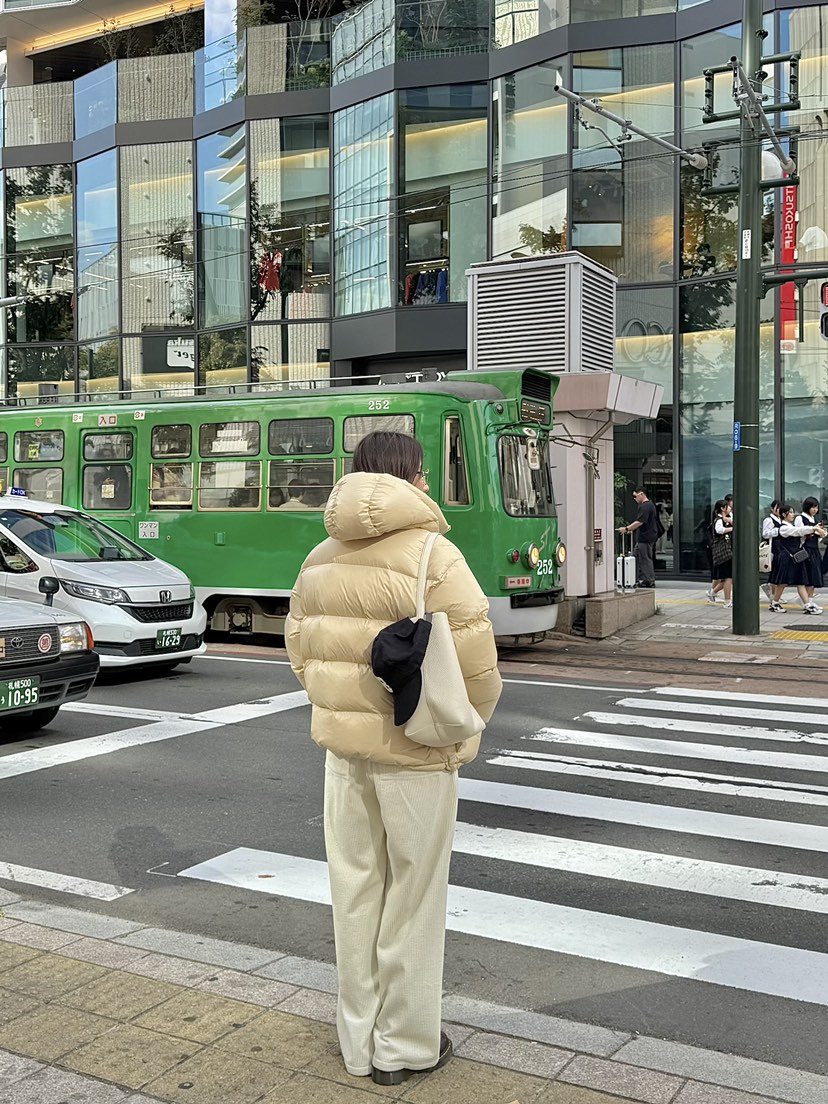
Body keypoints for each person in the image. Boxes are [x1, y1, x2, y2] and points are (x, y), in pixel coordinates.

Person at [285, 430, 502, 1086]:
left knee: (354, 892)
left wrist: (338, 707)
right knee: (413, 898)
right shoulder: (433, 553)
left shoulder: (320, 556)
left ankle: (357, 1041)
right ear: (413, 478)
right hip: (416, 752)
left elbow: (301, 649)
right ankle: (404, 1046)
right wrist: (464, 730)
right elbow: (476, 660)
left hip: (343, 754)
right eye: (425, 474)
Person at [769, 504, 827, 614]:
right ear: (783, 514)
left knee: (799, 581)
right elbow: (798, 531)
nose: (793, 514)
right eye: (790, 512)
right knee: (783, 582)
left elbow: (800, 531)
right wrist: (813, 528)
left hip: (794, 558)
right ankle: (775, 603)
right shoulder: (784, 528)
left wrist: (816, 531)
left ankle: (806, 605)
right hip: (787, 558)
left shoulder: (790, 527)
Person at [617, 486, 659, 589]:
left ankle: (649, 580)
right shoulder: (650, 505)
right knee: (635, 556)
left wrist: (627, 529)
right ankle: (635, 578)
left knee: (645, 558)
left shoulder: (645, 506)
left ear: (641, 494)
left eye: (635, 496)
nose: (634, 499)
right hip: (647, 537)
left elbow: (640, 521)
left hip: (645, 537)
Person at [798, 496, 824, 611]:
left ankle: (810, 601)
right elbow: (799, 532)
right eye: (812, 507)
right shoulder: (801, 518)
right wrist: (813, 530)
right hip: (805, 549)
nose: (815, 509)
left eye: (816, 507)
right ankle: (806, 602)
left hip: (815, 550)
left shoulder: (815, 520)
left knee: (814, 577)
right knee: (806, 577)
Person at [706, 499, 733, 606]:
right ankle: (727, 601)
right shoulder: (719, 520)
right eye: (728, 506)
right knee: (728, 577)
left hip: (725, 553)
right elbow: (719, 530)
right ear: (722, 508)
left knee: (728, 577)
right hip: (724, 554)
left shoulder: (724, 519)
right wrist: (732, 528)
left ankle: (712, 593)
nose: (730, 508)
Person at [760, 500, 783, 604]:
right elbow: (765, 534)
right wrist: (777, 531)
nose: (779, 510)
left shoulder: (781, 520)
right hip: (773, 548)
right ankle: (773, 595)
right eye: (777, 508)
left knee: (777, 571)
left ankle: (773, 593)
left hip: (781, 548)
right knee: (775, 571)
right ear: (772, 508)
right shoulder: (769, 520)